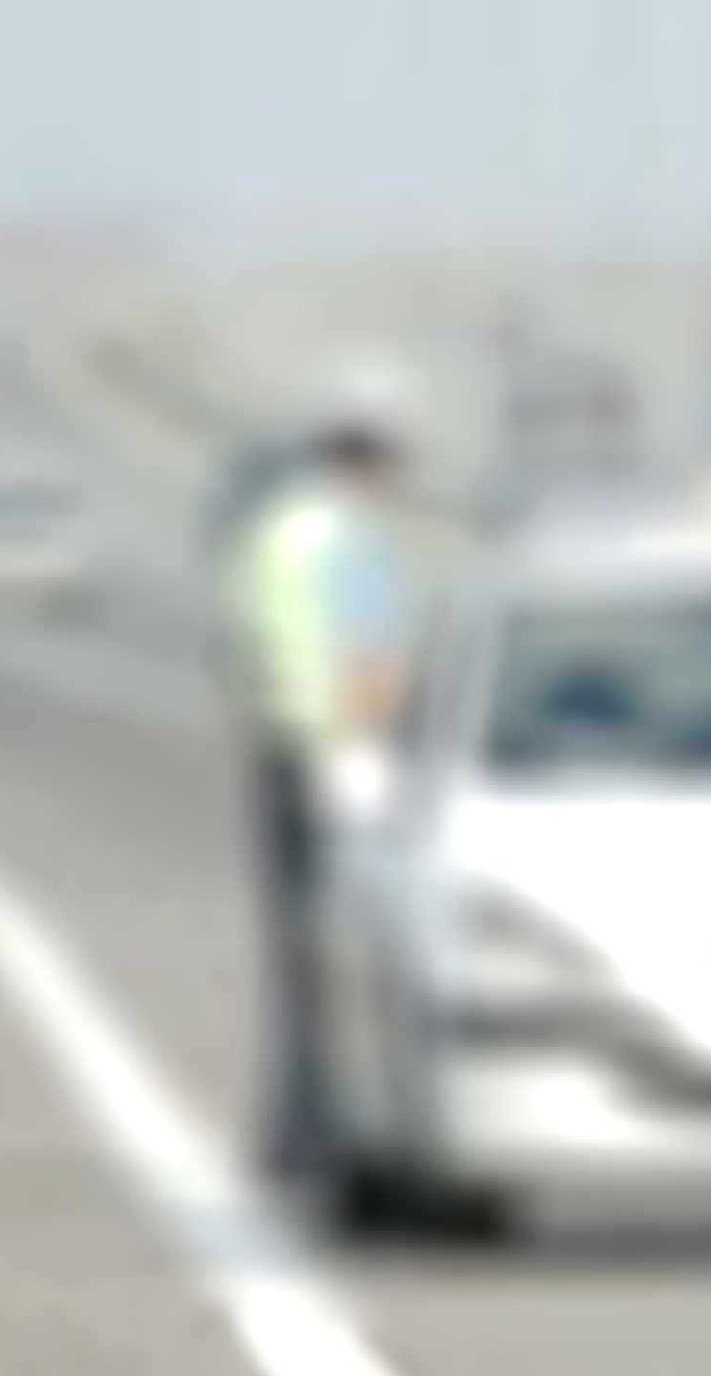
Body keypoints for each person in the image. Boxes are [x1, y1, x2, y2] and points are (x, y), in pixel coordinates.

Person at [228, 395, 413, 1183]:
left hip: (277, 747)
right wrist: (379, 749)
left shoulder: (272, 535)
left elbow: (249, 637)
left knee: (296, 954)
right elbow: (373, 662)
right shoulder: (353, 541)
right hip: (342, 755)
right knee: (362, 950)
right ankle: (346, 1126)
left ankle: (292, 1124)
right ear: (365, 470)